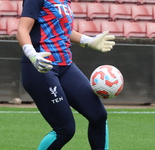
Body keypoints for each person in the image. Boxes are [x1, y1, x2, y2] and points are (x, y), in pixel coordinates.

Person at [16, 0, 115, 149]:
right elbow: (22, 30)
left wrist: (89, 41)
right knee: (65, 129)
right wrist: (32, 55)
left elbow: (63, 30)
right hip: (41, 67)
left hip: (66, 66)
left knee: (98, 116)